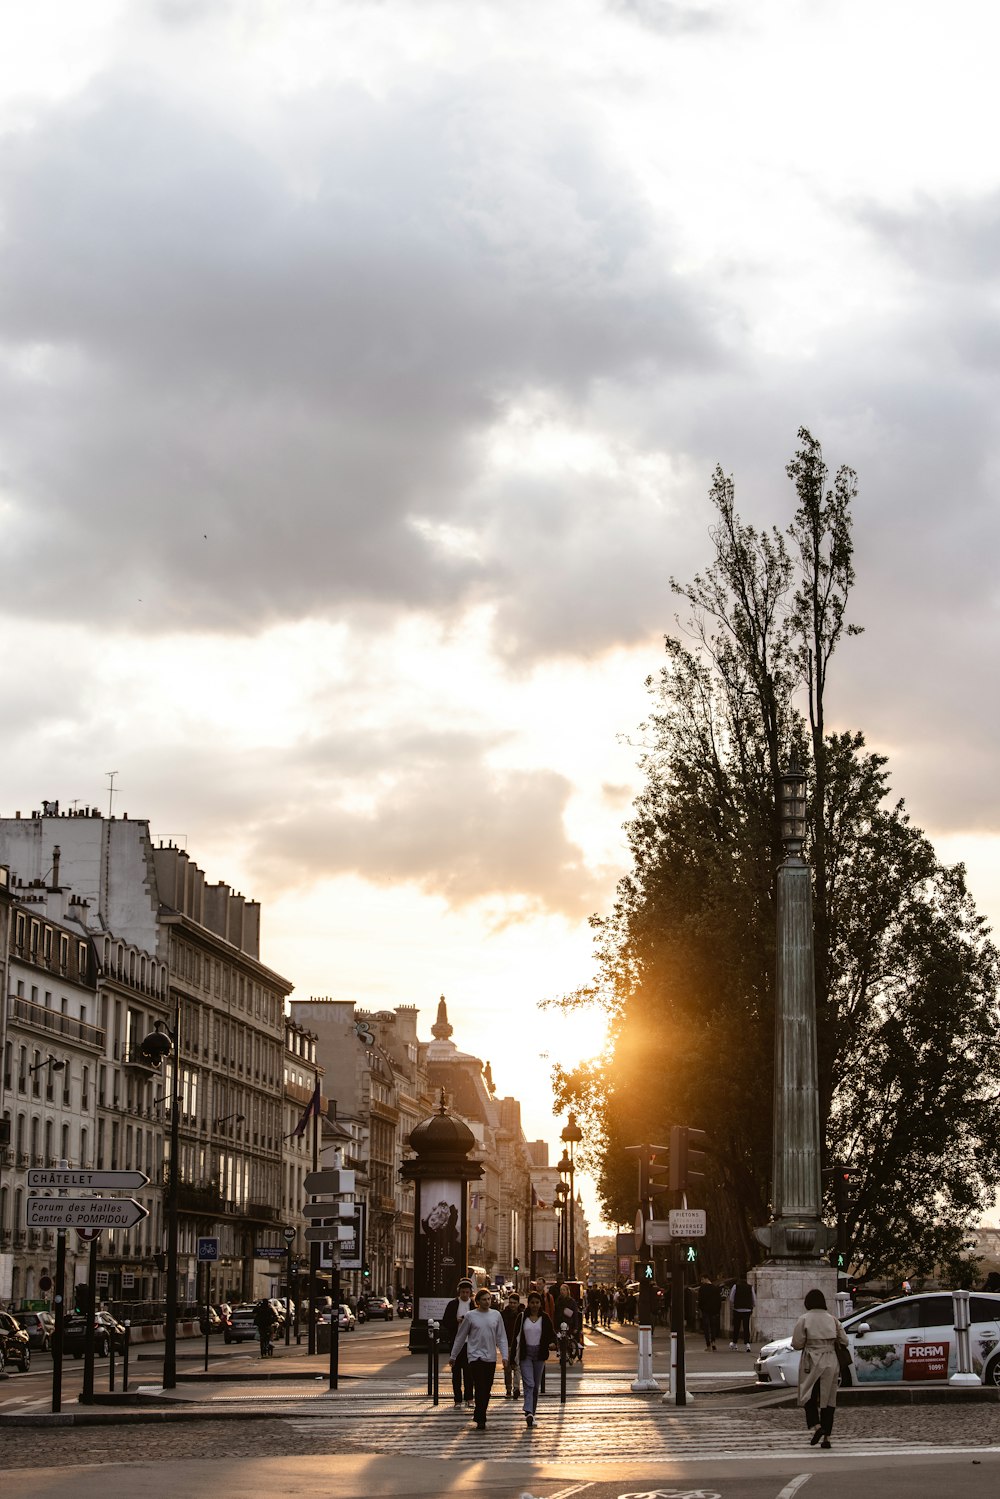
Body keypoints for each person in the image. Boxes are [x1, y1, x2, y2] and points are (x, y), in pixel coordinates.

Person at [790, 1287, 849, 1450]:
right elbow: (845, 1340)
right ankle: (827, 1438)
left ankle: (817, 1426)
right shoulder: (832, 1319)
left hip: (811, 1361)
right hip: (831, 1360)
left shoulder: (804, 1319)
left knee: (808, 1395)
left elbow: (797, 1343)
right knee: (829, 1399)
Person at [449, 1285, 509, 1430]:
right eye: (483, 1299)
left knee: (486, 1389)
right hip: (475, 1357)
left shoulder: (496, 1315)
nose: (487, 1302)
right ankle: (481, 1418)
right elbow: (461, 1336)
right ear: (477, 1301)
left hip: (491, 1357)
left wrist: (505, 1356)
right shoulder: (471, 1316)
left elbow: (501, 1337)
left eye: (489, 1299)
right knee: (480, 1385)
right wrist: (454, 1356)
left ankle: (479, 1413)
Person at [513, 1289, 556, 1427]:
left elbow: (552, 1334)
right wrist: (513, 1357)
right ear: (528, 1303)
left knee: (535, 1386)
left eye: (537, 1302)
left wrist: (553, 1343)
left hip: (539, 1354)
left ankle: (532, 1413)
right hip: (526, 1354)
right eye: (532, 1302)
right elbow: (516, 1338)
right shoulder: (521, 1317)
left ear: (540, 1304)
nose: (535, 1305)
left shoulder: (545, 1318)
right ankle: (528, 1411)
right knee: (529, 1383)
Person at [440, 1278, 475, 1408]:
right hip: (456, 1342)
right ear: (459, 1292)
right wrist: (457, 1321)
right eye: (462, 1292)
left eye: (467, 1292)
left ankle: (469, 1398)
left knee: (469, 1372)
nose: (465, 1295)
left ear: (470, 1292)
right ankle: (457, 1399)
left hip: (470, 1343)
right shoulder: (453, 1304)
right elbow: (445, 1322)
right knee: (456, 1372)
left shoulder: (473, 1305)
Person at [500, 1289, 523, 1399]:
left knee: (517, 1367)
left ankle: (516, 1388)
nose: (512, 1305)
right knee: (507, 1368)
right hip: (507, 1343)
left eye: (514, 1303)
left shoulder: (522, 1315)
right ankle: (508, 1388)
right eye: (511, 1303)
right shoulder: (503, 1314)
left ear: (518, 1303)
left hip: (518, 1344)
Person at [729, 1271, 755, 1350]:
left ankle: (734, 1343)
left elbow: (731, 1298)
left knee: (736, 1326)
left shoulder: (736, 1286)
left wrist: (733, 1304)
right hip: (747, 1309)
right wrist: (752, 1306)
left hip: (737, 1309)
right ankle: (747, 1344)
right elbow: (753, 1298)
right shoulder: (750, 1287)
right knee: (746, 1327)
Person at [697, 1275, 722, 1350]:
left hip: (705, 1310)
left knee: (706, 1327)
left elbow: (700, 1300)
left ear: (706, 1279)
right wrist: (718, 1309)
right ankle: (713, 1342)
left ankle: (708, 1345)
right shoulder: (715, 1288)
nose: (701, 1281)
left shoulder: (702, 1288)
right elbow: (719, 1300)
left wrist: (700, 1308)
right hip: (714, 1310)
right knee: (713, 1326)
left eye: (702, 1279)